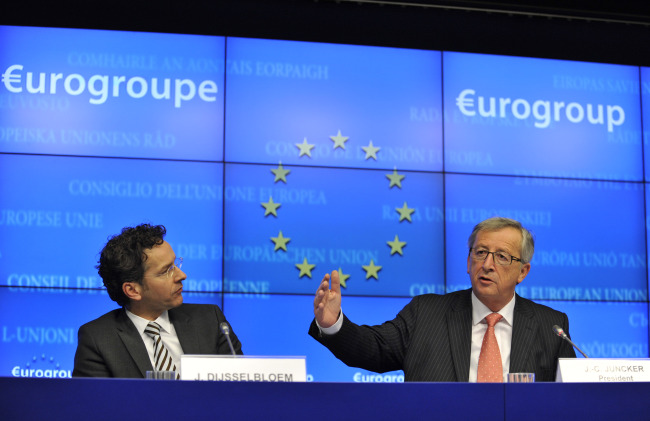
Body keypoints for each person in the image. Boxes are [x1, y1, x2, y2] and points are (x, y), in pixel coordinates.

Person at [309, 217, 576, 382]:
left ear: (523, 271)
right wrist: (333, 323)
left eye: (502, 257)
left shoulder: (551, 326)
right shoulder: (426, 313)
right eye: (480, 252)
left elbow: (572, 400)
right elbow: (374, 349)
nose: (487, 264)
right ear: (468, 262)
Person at [73, 223, 242, 378]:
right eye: (166, 271)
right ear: (132, 290)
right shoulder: (98, 339)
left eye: (176, 264)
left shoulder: (211, 321)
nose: (181, 275)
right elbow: (94, 408)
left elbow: (241, 390)